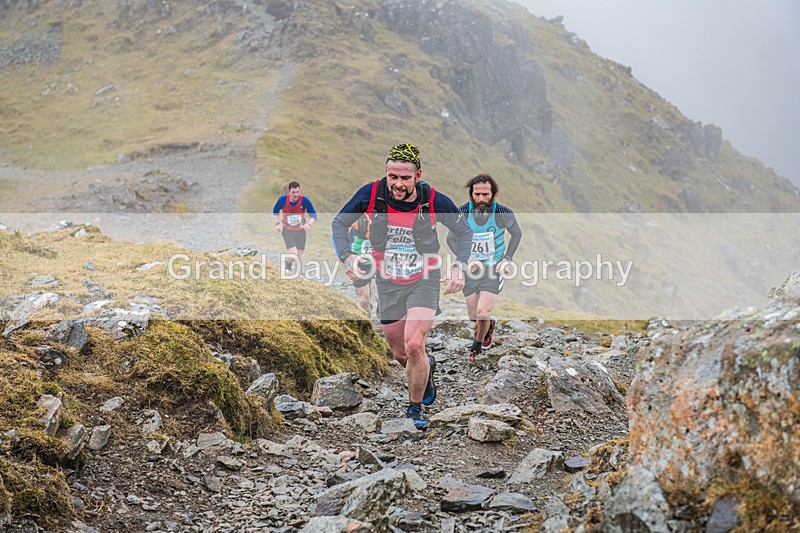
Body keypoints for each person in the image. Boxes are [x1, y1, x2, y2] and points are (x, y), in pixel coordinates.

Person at [332, 143, 473, 430]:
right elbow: (338, 223)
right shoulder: (370, 194)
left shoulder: (433, 199)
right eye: (392, 176)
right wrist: (347, 256)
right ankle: (426, 367)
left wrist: (460, 266)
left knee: (413, 344)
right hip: (387, 281)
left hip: (425, 277)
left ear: (417, 175)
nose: (397, 184)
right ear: (386, 173)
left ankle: (415, 408)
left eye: (404, 178)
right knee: (400, 353)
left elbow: (464, 231)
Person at [447, 173, 522, 361]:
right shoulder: (462, 212)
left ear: (493, 194)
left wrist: (507, 258)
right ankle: (489, 325)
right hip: (471, 270)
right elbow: (451, 239)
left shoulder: (503, 213)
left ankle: (476, 347)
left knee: (482, 312)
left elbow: (517, 234)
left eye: (485, 195)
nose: (481, 199)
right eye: (477, 194)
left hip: (493, 270)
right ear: (471, 193)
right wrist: (467, 259)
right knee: (474, 316)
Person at [272, 181, 317, 273]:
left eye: (297, 192)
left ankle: (299, 275)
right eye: (293, 192)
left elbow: (313, 215)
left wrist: (308, 224)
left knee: (300, 256)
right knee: (294, 253)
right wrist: (277, 224)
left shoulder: (304, 201)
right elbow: (275, 210)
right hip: (288, 231)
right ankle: (288, 267)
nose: (296, 195)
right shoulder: (282, 200)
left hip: (300, 232)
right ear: (289, 191)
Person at [349, 214, 377, 316]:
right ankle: (368, 328)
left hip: (381, 261)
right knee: (364, 300)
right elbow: (339, 234)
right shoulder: (355, 214)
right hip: (360, 260)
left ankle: (384, 325)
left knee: (382, 298)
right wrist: (345, 257)